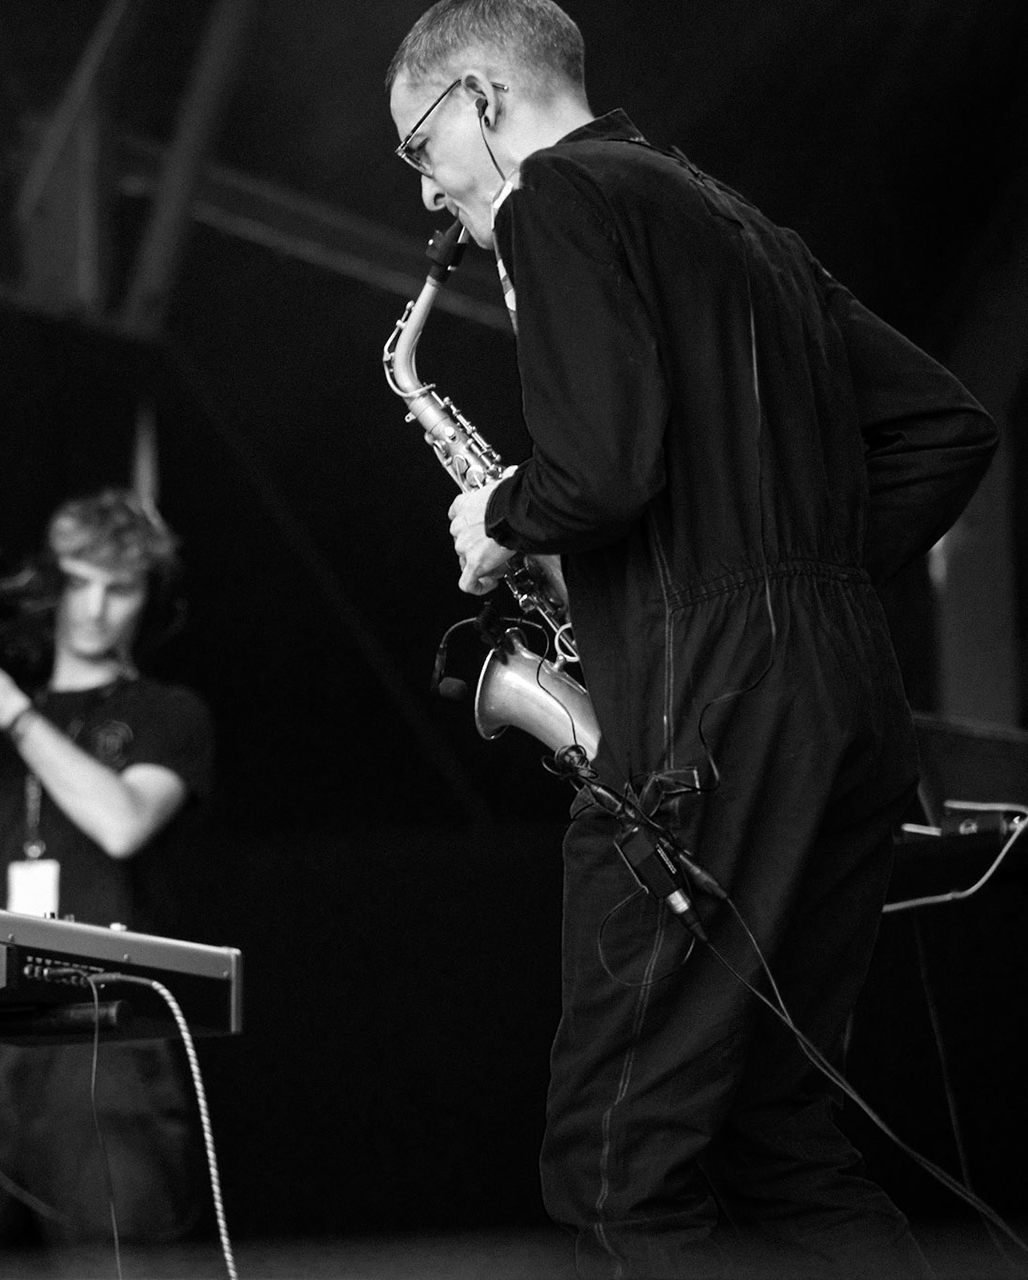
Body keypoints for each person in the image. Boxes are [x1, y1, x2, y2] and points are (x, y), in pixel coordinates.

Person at [385, 3, 997, 1276]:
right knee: (779, 1136)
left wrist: (502, 514)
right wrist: (793, 568)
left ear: (481, 101)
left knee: (618, 1153)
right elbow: (950, 426)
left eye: (420, 145)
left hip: (707, 711)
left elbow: (601, 473)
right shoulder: (747, 228)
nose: (430, 186)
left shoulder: (556, 200)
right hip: (846, 710)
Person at [0, 489, 212, 1276]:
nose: (93, 608)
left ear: (146, 597)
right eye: (79, 582)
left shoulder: (168, 712)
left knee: (116, 1268)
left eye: (117, 588)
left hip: (104, 1033)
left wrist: (12, 711)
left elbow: (122, 822)